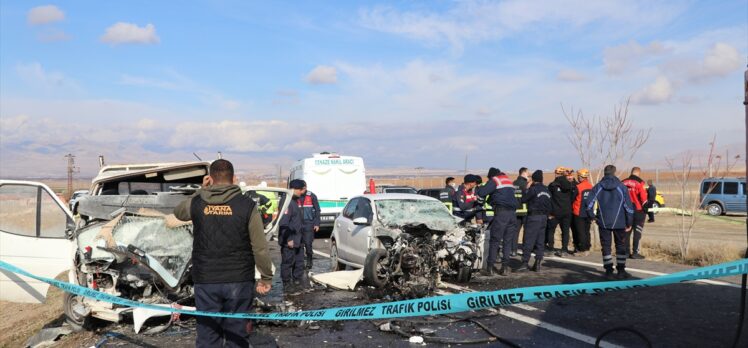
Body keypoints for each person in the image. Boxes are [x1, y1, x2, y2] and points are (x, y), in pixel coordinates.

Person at [173, 159, 272, 348]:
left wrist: (200, 190)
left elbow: (178, 212)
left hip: (206, 279)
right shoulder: (247, 205)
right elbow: (259, 246)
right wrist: (266, 277)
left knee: (208, 335)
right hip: (239, 280)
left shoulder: (197, 202)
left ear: (210, 179)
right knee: (237, 335)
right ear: (234, 179)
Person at [586, 164, 634, 281]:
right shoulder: (621, 187)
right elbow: (628, 206)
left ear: (604, 173)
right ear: (614, 172)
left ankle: (608, 271)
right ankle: (621, 271)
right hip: (620, 222)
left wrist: (592, 216)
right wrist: (629, 222)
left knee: (606, 246)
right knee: (621, 246)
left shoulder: (598, 187)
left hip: (603, 221)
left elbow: (589, 204)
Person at [476, 167, 518, 276]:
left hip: (502, 214)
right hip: (513, 215)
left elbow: (482, 192)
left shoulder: (495, 180)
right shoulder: (508, 181)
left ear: (491, 176)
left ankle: (489, 268)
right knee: (507, 241)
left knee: (495, 240)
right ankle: (504, 268)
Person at [515, 170, 551, 272]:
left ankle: (525, 263)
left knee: (529, 240)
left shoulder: (533, 189)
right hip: (544, 217)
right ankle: (538, 263)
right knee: (540, 241)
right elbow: (549, 205)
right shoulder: (547, 190)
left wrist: (527, 188)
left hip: (533, 217)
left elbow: (523, 199)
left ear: (534, 179)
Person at [289, 179, 321, 269]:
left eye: (304, 188)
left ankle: (309, 259)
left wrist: (317, 223)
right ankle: (300, 262)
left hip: (308, 223)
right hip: (297, 224)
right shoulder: (295, 196)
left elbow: (317, 210)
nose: (302, 190)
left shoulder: (311, 196)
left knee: (308, 243)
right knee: (299, 244)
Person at [279, 188, 305, 293]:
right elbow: (284, 223)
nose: (302, 192)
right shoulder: (287, 201)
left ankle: (297, 281)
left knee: (299, 262)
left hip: (298, 238)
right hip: (289, 239)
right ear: (294, 189)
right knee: (287, 262)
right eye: (301, 189)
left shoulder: (295, 200)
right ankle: (286, 284)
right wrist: (289, 239)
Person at [546, 166, 575, 257]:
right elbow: (574, 195)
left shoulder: (552, 185)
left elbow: (548, 198)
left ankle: (550, 249)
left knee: (551, 230)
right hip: (567, 211)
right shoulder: (570, 185)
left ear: (556, 173)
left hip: (555, 212)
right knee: (565, 231)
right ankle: (564, 250)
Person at [622, 167, 647, 259]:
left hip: (626, 210)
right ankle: (635, 252)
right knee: (637, 232)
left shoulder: (622, 182)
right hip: (638, 211)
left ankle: (626, 252)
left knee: (627, 231)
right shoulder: (640, 183)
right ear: (639, 173)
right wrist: (647, 211)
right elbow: (644, 200)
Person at [571, 168, 593, 256]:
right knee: (587, 231)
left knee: (580, 232)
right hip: (588, 212)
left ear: (580, 176)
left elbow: (572, 199)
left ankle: (582, 250)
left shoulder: (578, 187)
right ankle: (587, 248)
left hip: (578, 212)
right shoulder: (591, 186)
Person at [511, 167, 529, 256]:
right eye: (527, 172)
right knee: (526, 232)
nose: (528, 174)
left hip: (515, 210)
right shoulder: (526, 184)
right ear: (523, 173)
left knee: (515, 231)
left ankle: (513, 250)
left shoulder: (513, 183)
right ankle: (525, 250)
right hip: (525, 210)